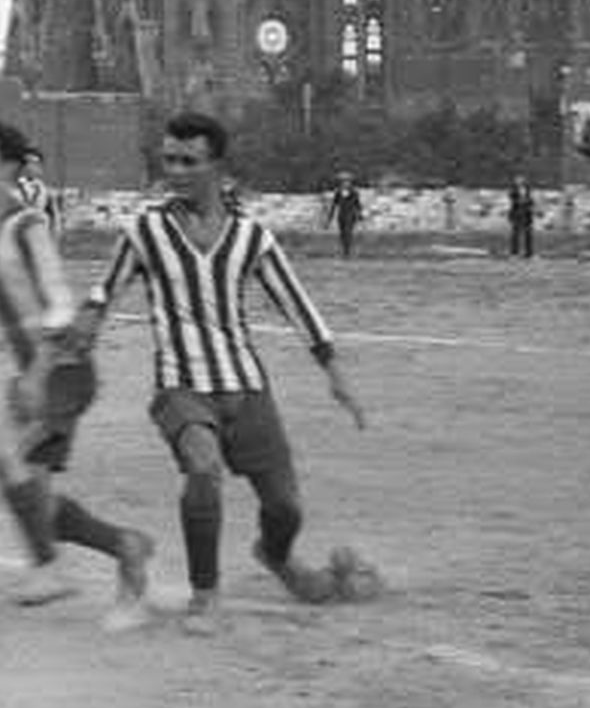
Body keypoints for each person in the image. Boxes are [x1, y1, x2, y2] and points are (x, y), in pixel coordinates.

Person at [77, 111, 375, 636]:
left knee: (285, 507)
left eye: (189, 161)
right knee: (202, 467)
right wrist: (83, 331)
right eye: (169, 159)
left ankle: (276, 555)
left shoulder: (250, 238)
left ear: (216, 165)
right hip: (180, 386)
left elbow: (296, 304)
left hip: (247, 387)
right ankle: (205, 596)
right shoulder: (145, 231)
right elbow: (104, 290)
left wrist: (335, 370)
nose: (176, 170)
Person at [0, 117, 154, 629]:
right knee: (34, 497)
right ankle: (125, 546)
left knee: (3, 455)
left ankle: (49, 569)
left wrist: (37, 377)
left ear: (9, 166)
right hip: (36, 375)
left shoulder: (27, 226)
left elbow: (59, 305)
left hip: (63, 370)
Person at [17, 147, 62, 238]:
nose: (30, 166)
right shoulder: (13, 187)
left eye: (35, 163)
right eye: (27, 162)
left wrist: (55, 235)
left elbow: (55, 218)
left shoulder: (45, 191)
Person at [324, 170, 365, 259]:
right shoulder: (338, 192)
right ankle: (345, 251)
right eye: (343, 181)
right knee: (342, 234)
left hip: (350, 215)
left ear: (350, 182)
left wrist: (360, 216)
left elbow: (357, 205)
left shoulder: (354, 192)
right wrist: (329, 218)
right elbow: (334, 205)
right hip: (342, 215)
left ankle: (347, 252)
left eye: (347, 181)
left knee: (348, 233)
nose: (345, 183)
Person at [508, 174, 536, 259]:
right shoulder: (513, 190)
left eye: (521, 179)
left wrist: (527, 202)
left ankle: (529, 253)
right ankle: (514, 253)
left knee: (528, 234)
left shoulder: (528, 190)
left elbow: (531, 201)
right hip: (517, 214)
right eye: (517, 179)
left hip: (527, 214)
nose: (519, 181)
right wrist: (522, 201)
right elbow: (514, 200)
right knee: (515, 235)